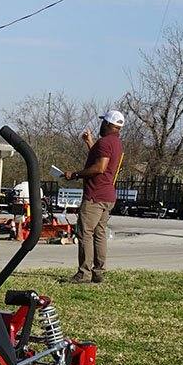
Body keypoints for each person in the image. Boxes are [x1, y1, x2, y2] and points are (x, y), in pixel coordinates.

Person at [64, 109, 125, 283]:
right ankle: (99, 272)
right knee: (99, 234)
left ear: (107, 124)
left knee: (85, 233)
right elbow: (102, 159)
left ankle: (84, 273)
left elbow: (99, 168)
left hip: (95, 196)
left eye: (103, 121)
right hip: (108, 196)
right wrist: (90, 142)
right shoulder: (116, 143)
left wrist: (75, 174)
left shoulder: (105, 142)